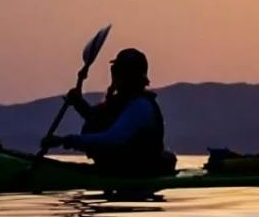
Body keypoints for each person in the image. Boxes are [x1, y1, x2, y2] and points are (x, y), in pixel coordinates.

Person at [47, 47, 175, 176]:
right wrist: (78, 102)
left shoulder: (141, 106)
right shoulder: (121, 101)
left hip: (133, 173)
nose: (113, 74)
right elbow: (97, 119)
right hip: (114, 169)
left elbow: (112, 139)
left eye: (116, 70)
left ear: (126, 74)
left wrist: (65, 140)